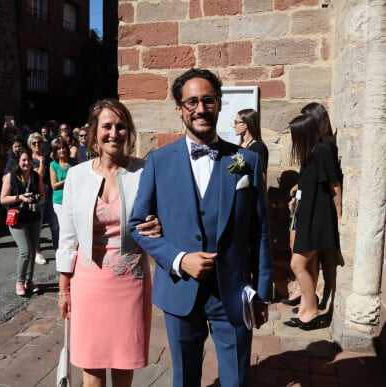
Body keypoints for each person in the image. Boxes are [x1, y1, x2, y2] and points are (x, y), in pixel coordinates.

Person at [129, 68, 272, 387]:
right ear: (179, 108)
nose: (200, 108)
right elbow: (137, 225)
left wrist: (262, 294)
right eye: (191, 101)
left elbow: (259, 232)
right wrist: (179, 259)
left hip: (233, 292)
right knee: (185, 378)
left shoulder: (246, 161)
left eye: (208, 100)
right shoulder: (158, 161)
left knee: (237, 377)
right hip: (180, 290)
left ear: (220, 104)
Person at [56, 98, 161, 387]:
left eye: (121, 126)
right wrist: (64, 289)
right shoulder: (77, 176)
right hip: (88, 282)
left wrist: (159, 224)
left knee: (124, 360)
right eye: (107, 126)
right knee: (92, 361)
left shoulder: (144, 172)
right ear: (94, 133)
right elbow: (67, 236)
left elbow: (163, 217)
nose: (114, 133)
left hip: (130, 281)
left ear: (129, 131)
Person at [282, 102, 343, 308]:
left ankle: (309, 305)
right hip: (305, 209)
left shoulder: (324, 148)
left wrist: (339, 215)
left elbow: (332, 183)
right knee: (301, 256)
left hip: (314, 213)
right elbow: (313, 177)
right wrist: (298, 192)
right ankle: (307, 304)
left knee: (300, 261)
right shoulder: (314, 149)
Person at [0, 148, 45, 296]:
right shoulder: (10, 177)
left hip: (33, 217)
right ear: (18, 162)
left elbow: (43, 197)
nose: (27, 163)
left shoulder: (36, 176)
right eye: (23, 160)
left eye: (29, 160)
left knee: (32, 251)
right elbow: (3, 199)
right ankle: (19, 282)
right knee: (25, 251)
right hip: (17, 219)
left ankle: (29, 281)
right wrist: (20, 198)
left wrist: (36, 200)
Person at [28, 132, 48, 265]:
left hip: (48, 194)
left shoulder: (47, 157)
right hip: (36, 196)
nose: (37, 145)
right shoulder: (29, 160)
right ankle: (37, 252)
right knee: (37, 225)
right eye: (34, 143)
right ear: (30, 145)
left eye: (39, 142)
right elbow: (39, 176)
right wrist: (41, 162)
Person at [234, 108, 269, 183]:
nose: (234, 126)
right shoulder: (239, 146)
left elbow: (262, 177)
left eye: (236, 122)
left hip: (250, 192)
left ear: (246, 124)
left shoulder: (258, 147)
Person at [49, 138, 73, 223]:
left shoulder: (73, 163)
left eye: (63, 148)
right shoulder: (53, 165)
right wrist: (68, 180)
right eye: (59, 149)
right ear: (55, 151)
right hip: (59, 200)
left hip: (72, 199)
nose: (62, 150)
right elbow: (54, 185)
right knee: (64, 226)